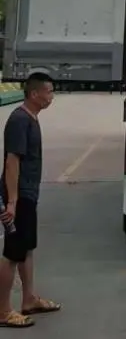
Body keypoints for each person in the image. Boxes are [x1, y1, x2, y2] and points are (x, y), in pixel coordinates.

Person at [0, 72, 61, 328]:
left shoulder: (31, 118)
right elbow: (12, 161)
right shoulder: (19, 120)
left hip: (27, 194)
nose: (52, 96)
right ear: (35, 94)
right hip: (19, 195)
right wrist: (12, 202)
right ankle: (3, 311)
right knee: (12, 253)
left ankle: (28, 299)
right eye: (48, 91)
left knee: (26, 249)